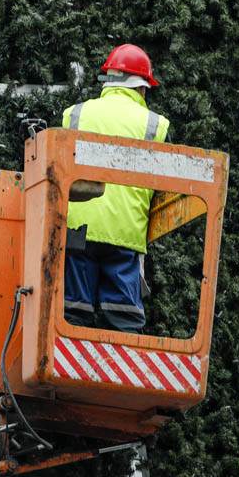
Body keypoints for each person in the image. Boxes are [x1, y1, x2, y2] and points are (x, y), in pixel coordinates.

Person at [61, 44, 170, 333]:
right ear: (142, 88)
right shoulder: (155, 124)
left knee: (74, 316)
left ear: (107, 82)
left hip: (77, 232)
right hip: (126, 235)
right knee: (123, 319)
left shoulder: (75, 114)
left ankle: (72, 376)